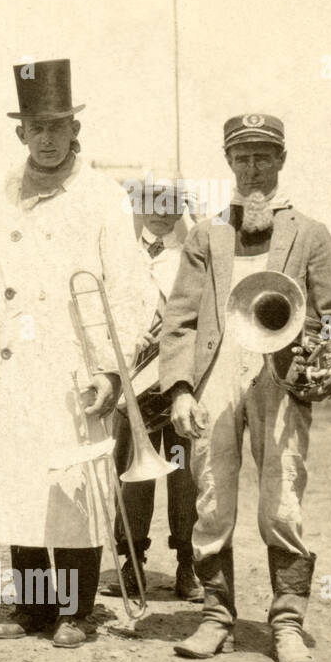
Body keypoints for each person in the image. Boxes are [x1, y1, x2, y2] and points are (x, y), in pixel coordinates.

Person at [0, 59, 149, 647]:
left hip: (77, 361)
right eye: (37, 127)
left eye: (59, 126)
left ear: (75, 131)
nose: (48, 138)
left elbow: (130, 289)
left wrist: (112, 370)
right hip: (16, 360)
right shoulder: (2, 187)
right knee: (20, 481)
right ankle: (33, 607)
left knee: (75, 481)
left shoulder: (103, 195)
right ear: (21, 132)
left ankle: (76, 611)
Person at [160, 114, 331, 662]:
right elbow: (179, 318)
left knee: (282, 498)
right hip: (216, 374)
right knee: (213, 498)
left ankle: (287, 623)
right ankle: (215, 617)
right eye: (242, 157)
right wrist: (180, 389)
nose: (252, 169)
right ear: (228, 162)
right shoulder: (206, 235)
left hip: (281, 374)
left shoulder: (310, 232)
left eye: (263, 156)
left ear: (281, 161)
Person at [104, 174, 202, 602]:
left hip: (177, 379)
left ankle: (187, 563)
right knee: (133, 474)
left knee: (184, 474)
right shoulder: (119, 253)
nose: (163, 212)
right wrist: (128, 336)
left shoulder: (191, 255)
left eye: (173, 204)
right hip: (132, 381)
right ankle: (132, 560)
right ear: (140, 205)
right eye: (155, 202)